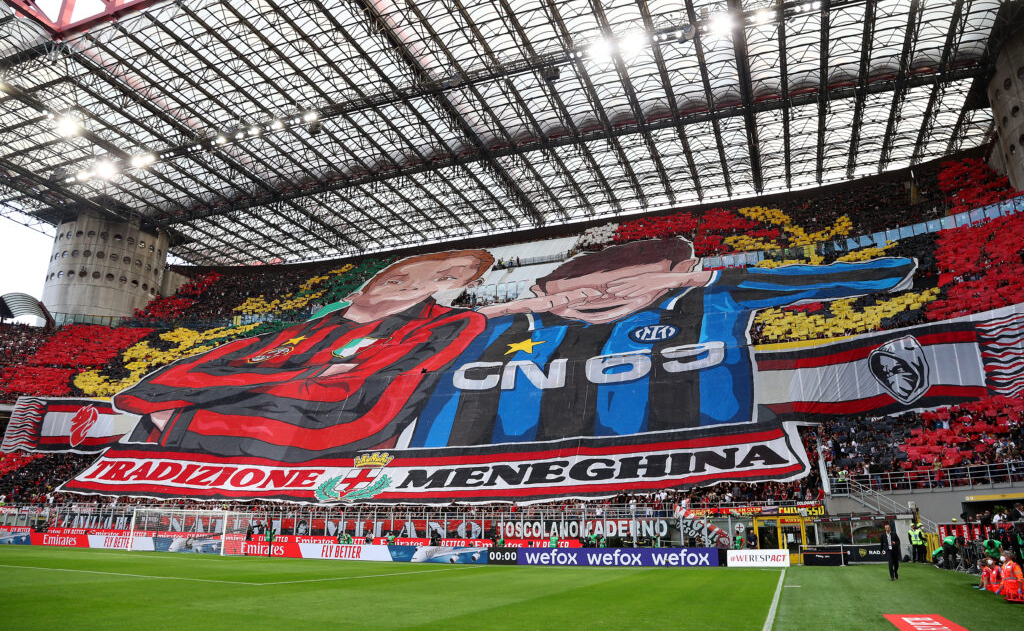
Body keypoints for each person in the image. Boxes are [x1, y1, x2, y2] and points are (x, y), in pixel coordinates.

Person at [416, 237, 915, 445]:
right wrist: (513, 308)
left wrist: (700, 280)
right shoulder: (516, 328)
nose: (598, 297)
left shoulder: (711, 296)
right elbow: (412, 339)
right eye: (575, 293)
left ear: (681, 271)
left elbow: (873, 274)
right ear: (544, 294)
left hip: (701, 446)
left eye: (624, 284)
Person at [114, 249, 493, 462]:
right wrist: (298, 375)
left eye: (443, 279)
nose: (413, 287)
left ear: (460, 287)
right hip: (231, 433)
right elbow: (167, 382)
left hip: (334, 441)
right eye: (398, 278)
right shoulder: (300, 330)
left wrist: (223, 393)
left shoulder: (449, 323)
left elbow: (363, 395)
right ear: (364, 288)